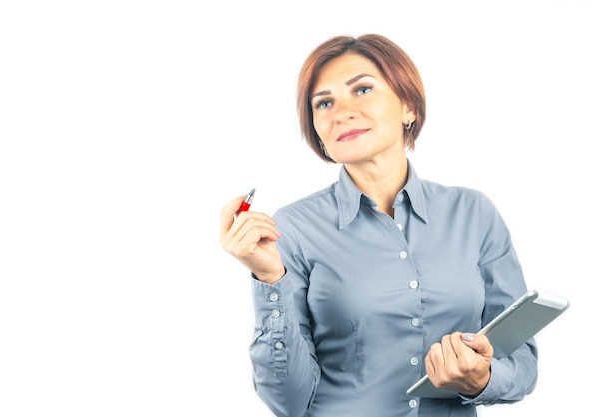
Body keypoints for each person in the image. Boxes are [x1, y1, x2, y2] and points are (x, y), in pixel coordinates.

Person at [219, 33, 537, 417]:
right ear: (317, 132)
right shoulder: (291, 229)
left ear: (408, 106)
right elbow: (287, 400)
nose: (342, 112)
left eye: (363, 89)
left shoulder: (474, 213)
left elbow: (522, 363)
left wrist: (482, 379)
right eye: (324, 102)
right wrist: (270, 279)